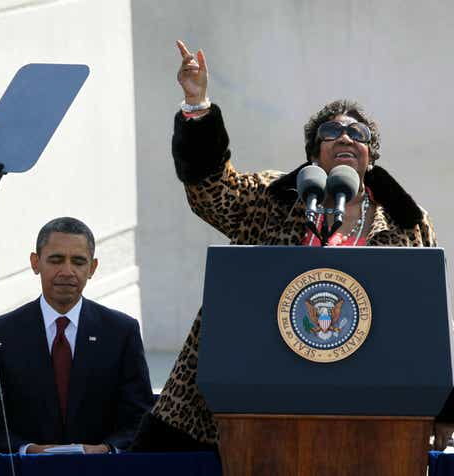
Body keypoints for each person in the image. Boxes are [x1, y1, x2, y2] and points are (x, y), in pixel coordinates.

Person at [130, 40, 440, 451]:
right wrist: (197, 106)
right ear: (314, 152)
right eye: (331, 132)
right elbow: (210, 188)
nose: (345, 137)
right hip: (249, 395)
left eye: (357, 133)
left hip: (364, 406)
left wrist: (442, 405)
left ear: (371, 155)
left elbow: (426, 318)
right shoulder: (271, 198)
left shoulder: (407, 225)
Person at [0, 217, 153, 454]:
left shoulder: (121, 331)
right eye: (56, 260)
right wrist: (28, 450)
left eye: (78, 261)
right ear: (35, 263)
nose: (67, 271)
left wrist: (106, 450)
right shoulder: (0, 332)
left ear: (92, 268)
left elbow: (139, 417)